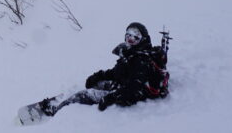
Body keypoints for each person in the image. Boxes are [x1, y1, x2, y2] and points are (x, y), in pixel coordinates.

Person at [38, 22, 167, 117]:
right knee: (96, 84)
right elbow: (118, 72)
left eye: (135, 37)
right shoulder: (132, 52)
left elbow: (134, 87)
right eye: (128, 36)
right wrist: (99, 76)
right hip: (122, 85)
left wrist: (111, 97)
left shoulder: (141, 60)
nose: (130, 39)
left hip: (131, 94)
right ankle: (68, 100)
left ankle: (55, 110)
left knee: (84, 94)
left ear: (142, 39)